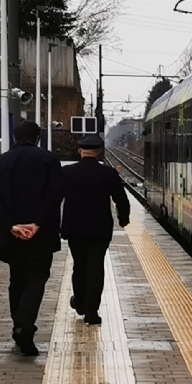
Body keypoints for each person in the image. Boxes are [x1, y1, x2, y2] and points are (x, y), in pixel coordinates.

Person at [0, 119, 63, 356]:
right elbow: (55, 194)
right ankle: (24, 326)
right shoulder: (49, 161)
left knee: (17, 279)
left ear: (15, 137)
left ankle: (19, 324)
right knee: (37, 278)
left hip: (10, 237)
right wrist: (36, 224)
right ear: (38, 138)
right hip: (41, 235)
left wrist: (11, 225)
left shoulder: (0, 163)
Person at [60, 134, 130, 326]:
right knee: (96, 267)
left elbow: (54, 198)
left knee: (79, 265)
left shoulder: (67, 173)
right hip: (100, 229)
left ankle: (80, 302)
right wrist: (123, 219)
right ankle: (92, 312)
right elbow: (121, 200)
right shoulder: (108, 174)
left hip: (74, 229)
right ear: (98, 152)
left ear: (79, 151)